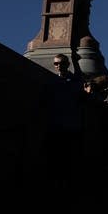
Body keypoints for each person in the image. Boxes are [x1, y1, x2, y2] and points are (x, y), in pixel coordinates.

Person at [42, 54, 85, 188]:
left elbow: (80, 81)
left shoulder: (74, 80)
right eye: (56, 64)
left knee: (68, 160)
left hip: (70, 126)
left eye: (61, 63)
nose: (58, 66)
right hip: (55, 126)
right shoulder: (51, 81)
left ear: (67, 65)